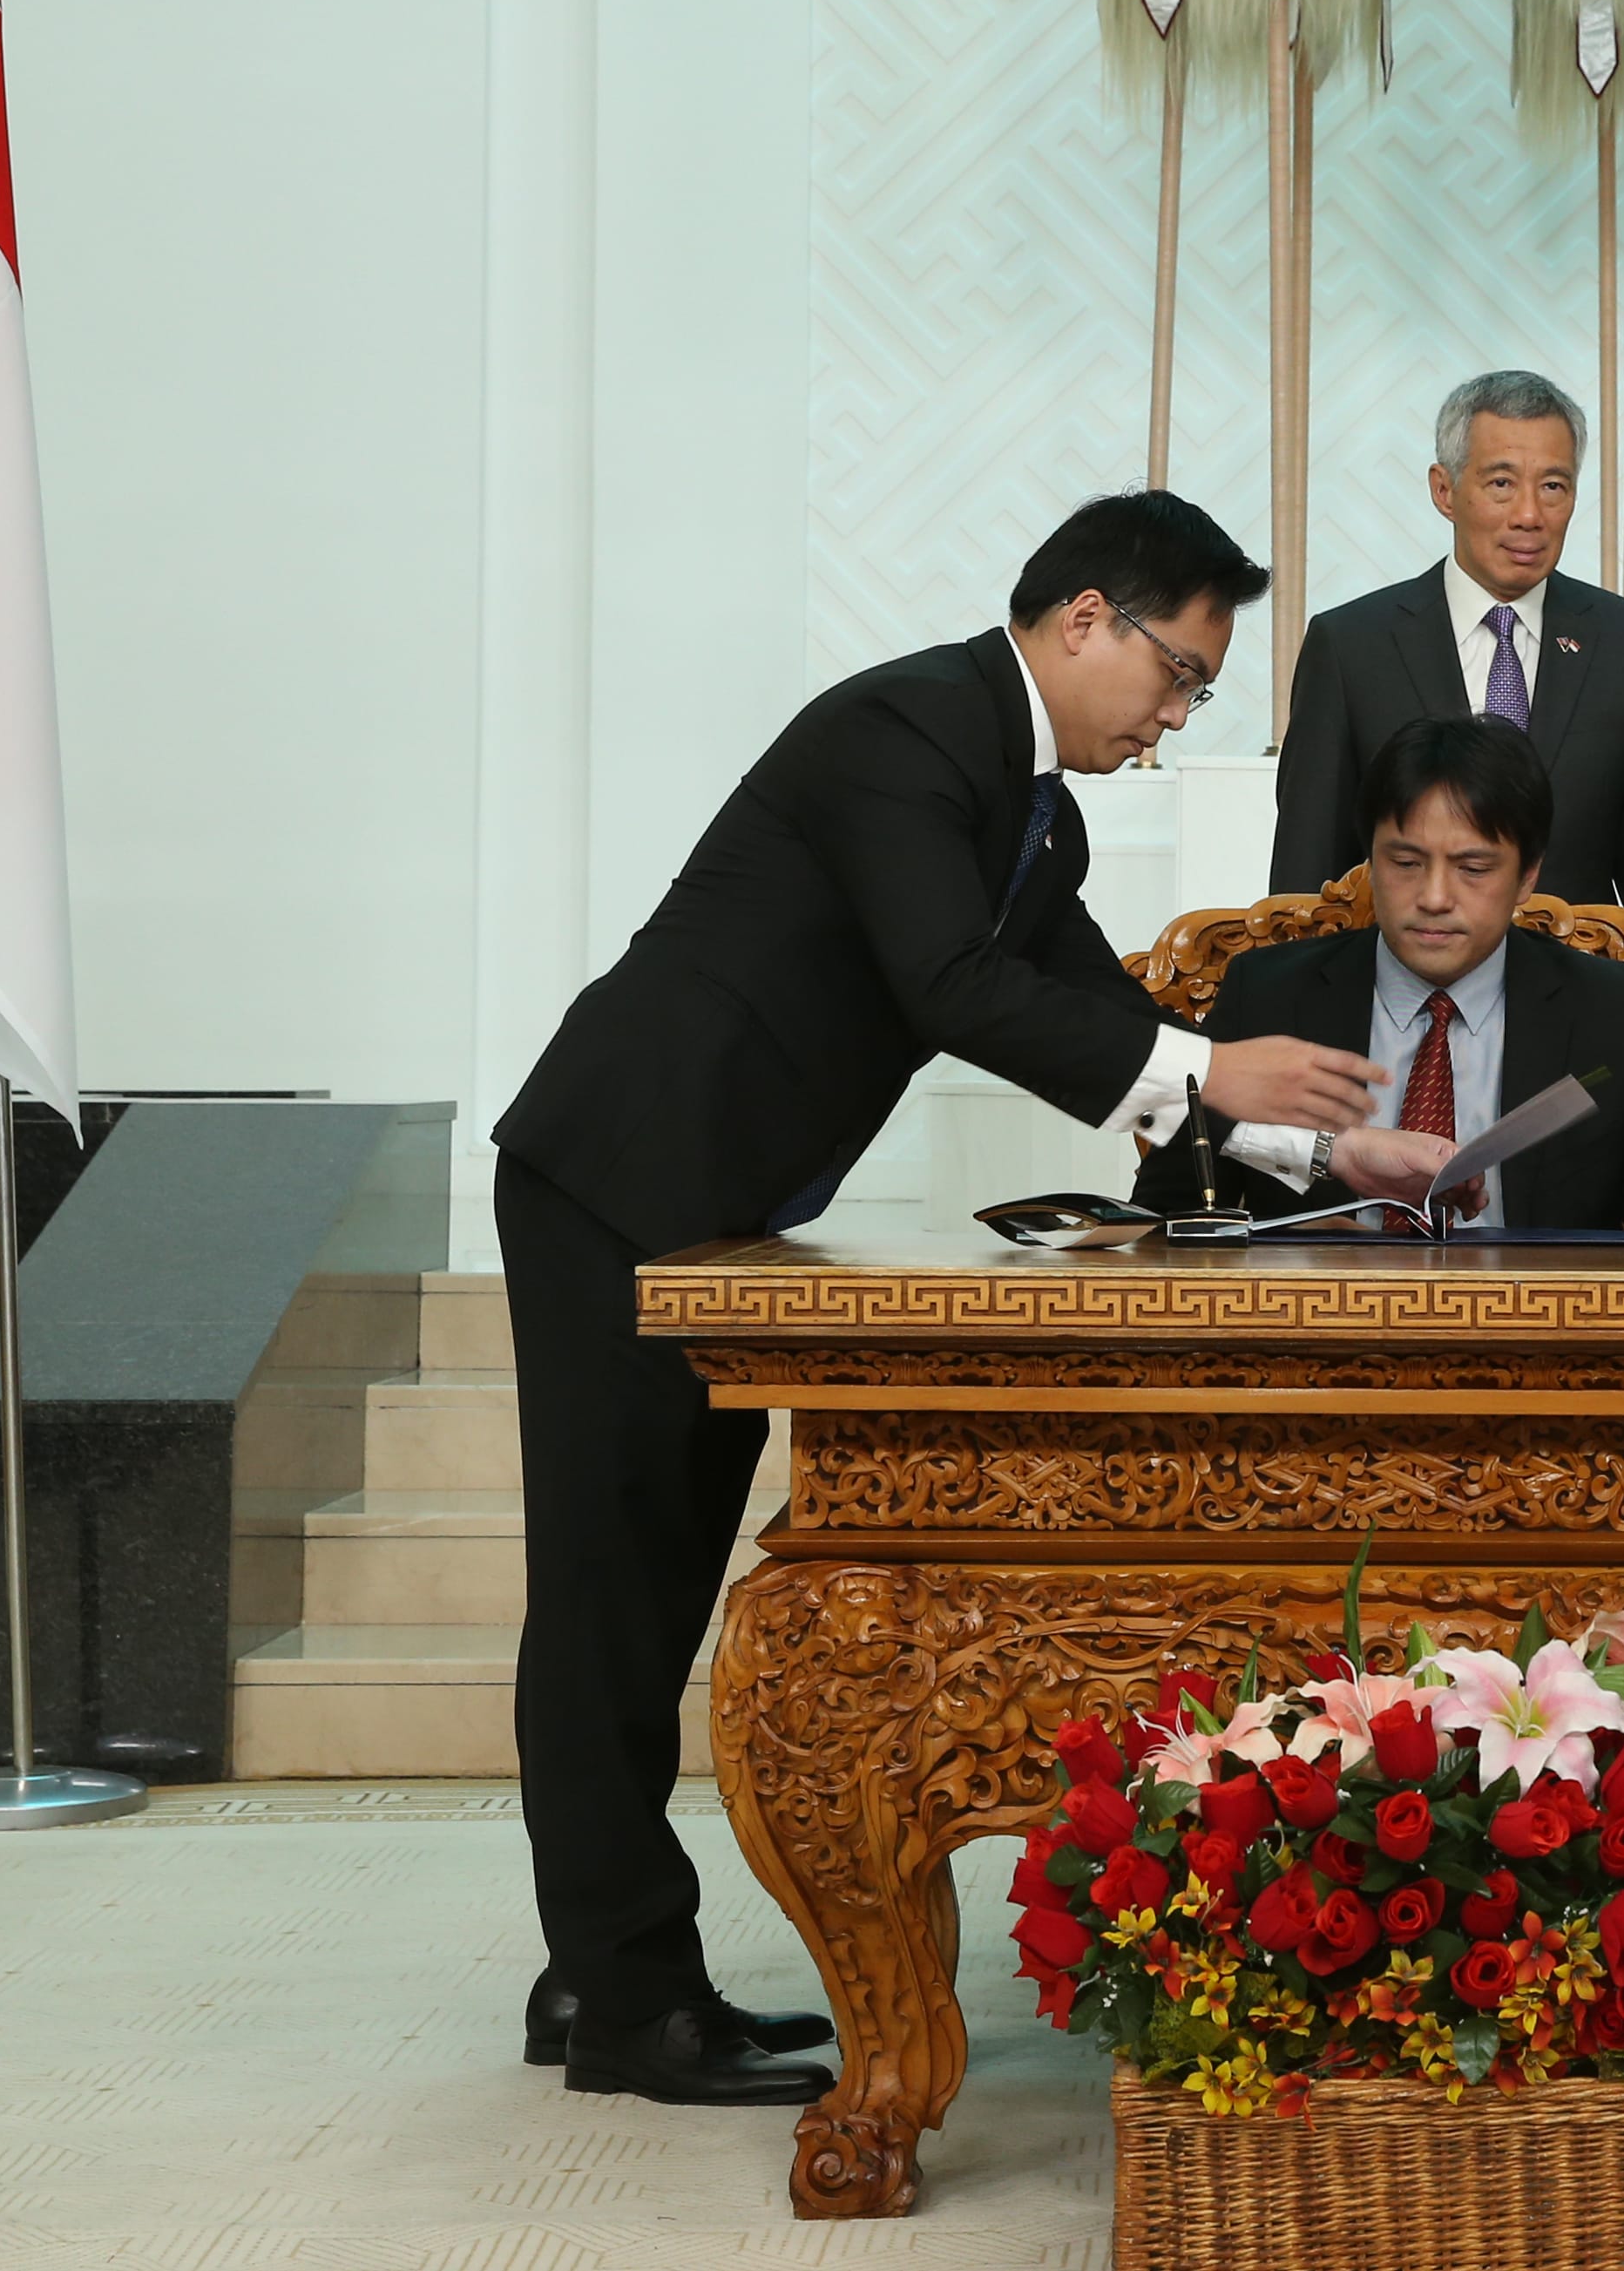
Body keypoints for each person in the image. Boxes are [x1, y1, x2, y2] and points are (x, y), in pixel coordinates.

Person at [486, 491, 1451, 2105]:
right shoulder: (908, 729)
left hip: (706, 1210)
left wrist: (1328, 1139)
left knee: (649, 1583)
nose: (1173, 716)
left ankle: (598, 1962)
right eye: (1179, 675)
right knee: (612, 1590)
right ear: (1087, 618)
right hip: (617, 1178)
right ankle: (629, 2000)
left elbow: (1091, 1012)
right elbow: (953, 985)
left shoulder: (1028, 813)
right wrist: (1214, 1067)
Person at [1207, 716, 1624, 1237]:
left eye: (1473, 869)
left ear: (1528, 875)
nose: (1434, 898)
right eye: (1406, 863)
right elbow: (1171, 1218)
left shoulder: (1617, 1015)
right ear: (1371, 857)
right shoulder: (1267, 997)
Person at [1270, 371, 1624, 952]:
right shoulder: (1352, 646)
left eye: (1554, 486)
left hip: (1577, 1015)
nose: (1530, 514)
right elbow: (1304, 888)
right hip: (1393, 1016)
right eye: (1501, 483)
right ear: (1444, 490)